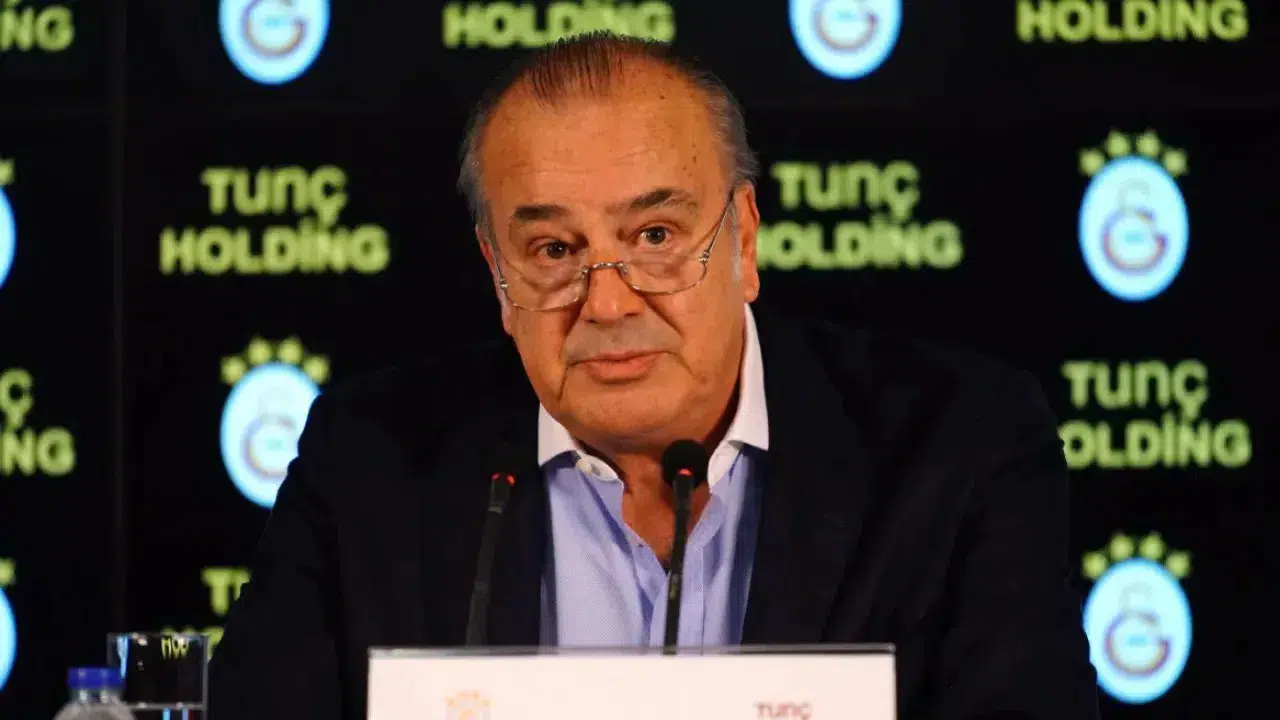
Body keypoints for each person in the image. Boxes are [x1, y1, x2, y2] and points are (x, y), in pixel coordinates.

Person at [209, 31, 1099, 720]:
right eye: (553, 250)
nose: (606, 302)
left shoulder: (958, 447)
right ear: (497, 273)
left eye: (656, 237)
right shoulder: (369, 463)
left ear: (743, 239)